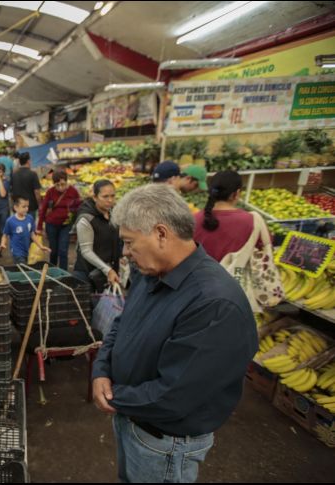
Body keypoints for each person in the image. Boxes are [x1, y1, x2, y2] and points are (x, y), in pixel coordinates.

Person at [92, 184, 257, 483]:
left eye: (129, 243)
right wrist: (102, 369)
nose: (126, 254)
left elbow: (175, 395)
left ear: (161, 234)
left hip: (165, 443)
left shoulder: (214, 304)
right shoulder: (151, 272)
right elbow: (121, 323)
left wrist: (113, 395)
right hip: (133, 418)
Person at [194, 170, 263, 263]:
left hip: (199, 275)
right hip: (234, 275)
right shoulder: (251, 221)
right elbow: (261, 248)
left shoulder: (194, 219)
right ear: (236, 193)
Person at [74, 180, 121, 290]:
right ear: (95, 197)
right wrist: (107, 270)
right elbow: (86, 251)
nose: (110, 200)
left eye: (112, 196)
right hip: (88, 274)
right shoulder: (86, 219)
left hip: (108, 273)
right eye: (105, 197)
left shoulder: (113, 213)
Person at [38, 171, 80, 270]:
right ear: (54, 184)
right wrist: (39, 227)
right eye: (58, 185)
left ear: (67, 182)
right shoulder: (50, 192)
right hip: (51, 225)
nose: (60, 187)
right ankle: (52, 271)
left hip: (66, 225)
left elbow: (79, 206)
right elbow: (43, 209)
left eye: (63, 184)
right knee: (53, 250)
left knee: (63, 250)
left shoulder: (73, 191)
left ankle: (63, 274)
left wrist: (73, 213)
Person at [0, 196, 50, 264]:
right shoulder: (10, 221)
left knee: (21, 269)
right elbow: (5, 235)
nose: (26, 209)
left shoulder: (30, 218)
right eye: (23, 207)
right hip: (16, 252)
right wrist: (3, 243)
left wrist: (41, 246)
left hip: (26, 250)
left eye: (27, 206)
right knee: (23, 267)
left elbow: (32, 234)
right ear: (16, 208)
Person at [11, 151, 41, 222]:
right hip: (30, 206)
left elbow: (12, 190)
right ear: (28, 161)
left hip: (18, 206)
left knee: (19, 226)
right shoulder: (33, 174)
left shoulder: (14, 174)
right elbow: (37, 191)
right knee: (29, 227)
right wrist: (39, 204)